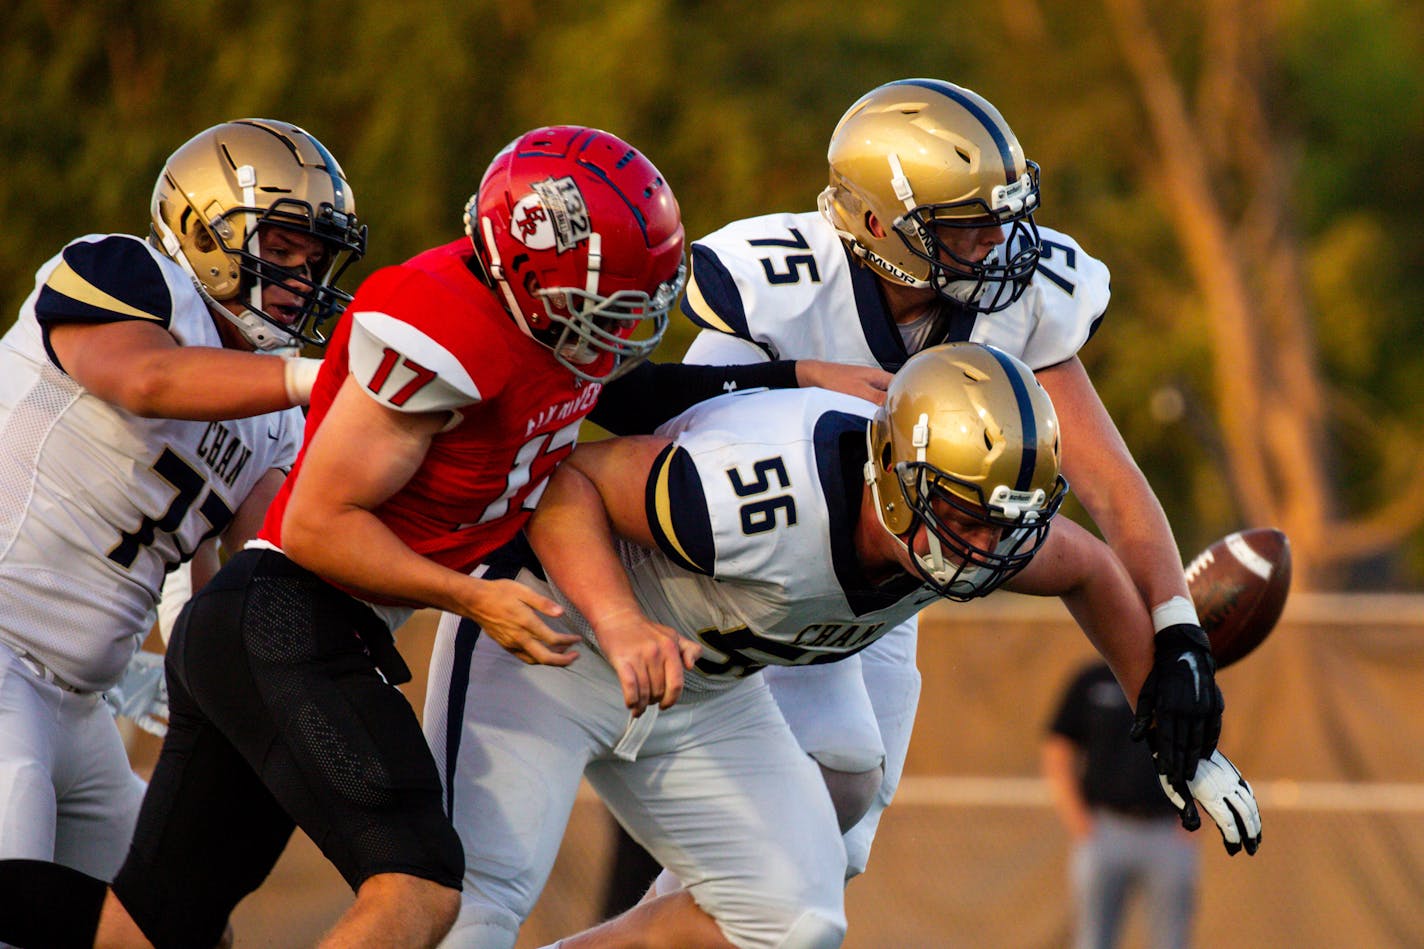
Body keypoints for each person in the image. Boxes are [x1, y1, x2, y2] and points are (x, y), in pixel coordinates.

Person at [0, 123, 890, 949]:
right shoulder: (417, 330)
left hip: (235, 635)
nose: (618, 323)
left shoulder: (537, 339)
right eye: (603, 297)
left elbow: (637, 402)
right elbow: (305, 524)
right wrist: (471, 595)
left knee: (152, 931)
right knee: (421, 890)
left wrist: (796, 373)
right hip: (268, 623)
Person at [427, 343, 1261, 949]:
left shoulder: (972, 523)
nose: (982, 547)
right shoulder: (762, 491)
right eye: (966, 515)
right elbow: (562, 478)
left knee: (793, 918)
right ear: (896, 471)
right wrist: (616, 617)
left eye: (1005, 524)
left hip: (700, 685)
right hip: (552, 636)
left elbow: (1093, 570)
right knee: (470, 911)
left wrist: (1172, 734)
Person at [653, 77, 1231, 883]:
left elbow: (1110, 482)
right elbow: (666, 445)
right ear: (879, 226)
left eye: (1004, 217)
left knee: (833, 847)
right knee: (780, 834)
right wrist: (797, 376)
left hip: (889, 591)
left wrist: (1177, 633)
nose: (998, 244)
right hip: (750, 575)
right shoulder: (780, 286)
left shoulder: (1018, 297)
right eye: (967, 226)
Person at [0, 117, 364, 892]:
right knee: (18, 905)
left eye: (314, 256)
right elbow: (148, 381)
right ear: (204, 232)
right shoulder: (129, 273)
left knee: (172, 922)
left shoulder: (274, 413)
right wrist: (315, 377)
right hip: (3, 654)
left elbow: (271, 554)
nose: (303, 277)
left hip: (79, 704)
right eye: (282, 248)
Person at [1043, 661, 1201, 949]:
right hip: (1105, 828)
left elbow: (1208, 750)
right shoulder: (1092, 680)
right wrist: (1078, 819)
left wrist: (1196, 815)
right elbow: (1059, 749)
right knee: (1093, 939)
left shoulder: (1187, 681)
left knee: (1172, 941)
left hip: (1167, 832)